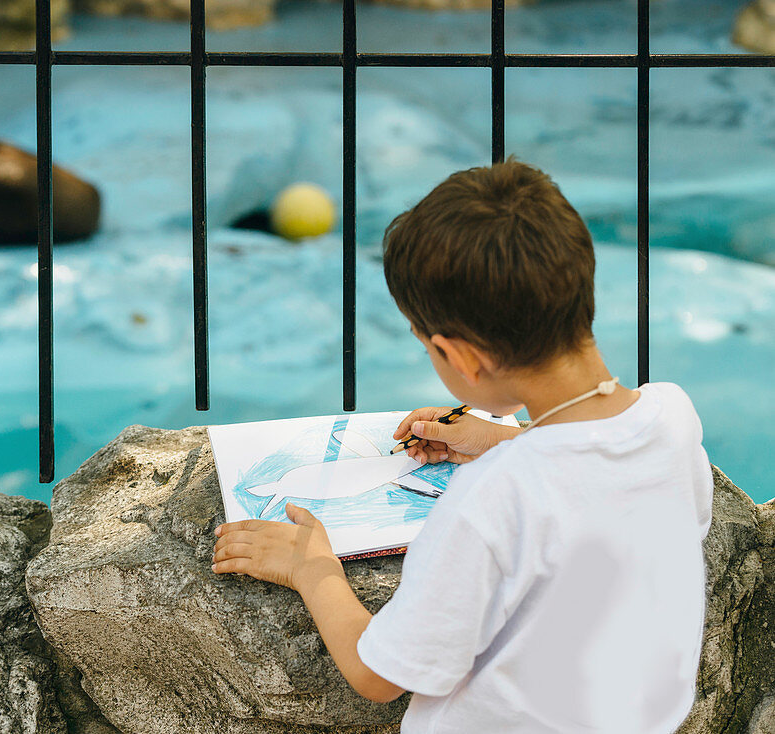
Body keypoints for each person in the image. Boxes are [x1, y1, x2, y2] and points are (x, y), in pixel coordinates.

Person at [211, 157, 714, 733]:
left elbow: (381, 676)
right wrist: (506, 439)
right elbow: (593, 484)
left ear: (462, 358)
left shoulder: (491, 499)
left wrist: (313, 567)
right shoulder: (672, 416)